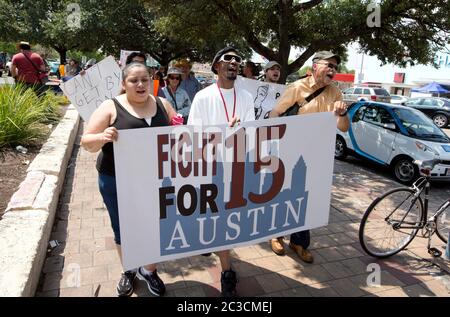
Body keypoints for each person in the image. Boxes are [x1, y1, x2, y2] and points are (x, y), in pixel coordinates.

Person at [80, 62, 178, 297]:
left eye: (145, 79)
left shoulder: (163, 104)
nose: (141, 84)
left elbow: (182, 131)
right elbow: (87, 142)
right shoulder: (110, 106)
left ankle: (149, 270)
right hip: (116, 180)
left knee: (156, 225)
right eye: (134, 80)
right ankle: (128, 270)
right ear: (124, 84)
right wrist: (103, 136)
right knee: (122, 228)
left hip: (155, 180)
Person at [268, 51, 349, 263]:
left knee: (307, 199)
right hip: (292, 150)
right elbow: (275, 113)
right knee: (285, 194)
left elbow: (344, 127)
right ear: (315, 67)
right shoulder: (297, 87)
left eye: (335, 66)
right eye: (328, 65)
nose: (332, 69)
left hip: (318, 155)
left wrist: (342, 114)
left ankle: (299, 242)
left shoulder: (336, 93)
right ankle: (276, 235)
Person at [187, 47, 255, 297]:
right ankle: (219, 258)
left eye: (238, 59)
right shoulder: (203, 97)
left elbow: (250, 134)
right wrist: (222, 132)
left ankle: (226, 270)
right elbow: (193, 137)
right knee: (211, 218)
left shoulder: (246, 97)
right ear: (216, 66)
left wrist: (236, 133)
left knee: (225, 222)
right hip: (209, 169)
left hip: (234, 169)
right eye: (228, 59)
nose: (234, 62)